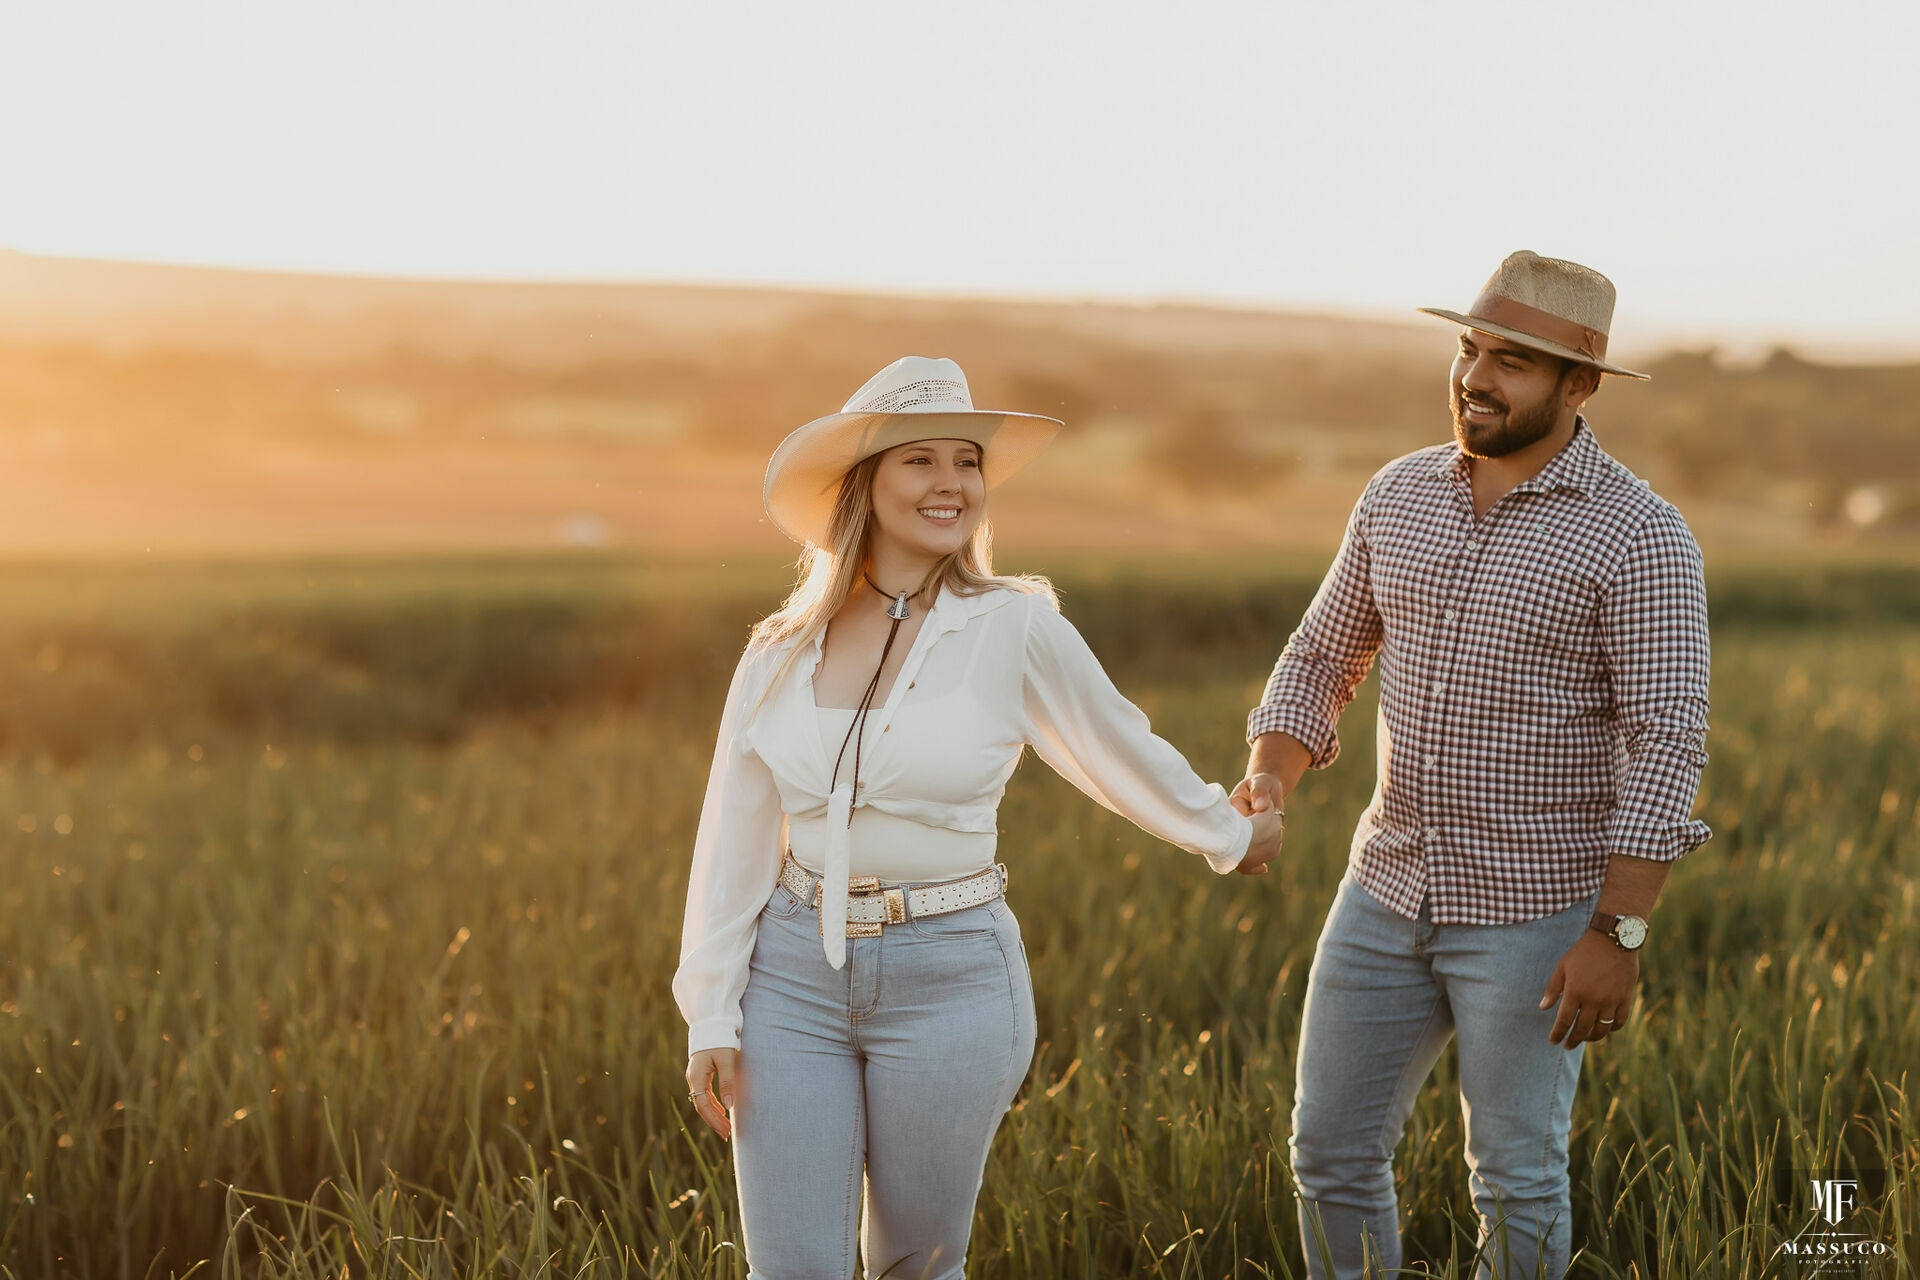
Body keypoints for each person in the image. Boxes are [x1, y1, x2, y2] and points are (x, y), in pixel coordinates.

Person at [675, 355, 1285, 1280]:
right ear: (864, 483)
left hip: (951, 975)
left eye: (967, 460)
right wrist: (711, 1014)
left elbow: (1117, 747)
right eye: (919, 460)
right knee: (791, 1270)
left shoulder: (1016, 625)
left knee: (914, 1269)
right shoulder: (777, 651)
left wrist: (1230, 833)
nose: (951, 482)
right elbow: (733, 837)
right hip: (791, 978)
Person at [1232, 252, 1712, 1279]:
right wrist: (1271, 774)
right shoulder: (1398, 492)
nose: (1475, 376)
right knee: (1328, 1153)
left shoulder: (1642, 536)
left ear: (1579, 385)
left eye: (1514, 362)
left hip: (1538, 916)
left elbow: (1666, 742)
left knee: (1515, 1177)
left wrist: (1616, 931)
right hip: (1383, 889)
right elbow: (1324, 653)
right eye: (1470, 347)